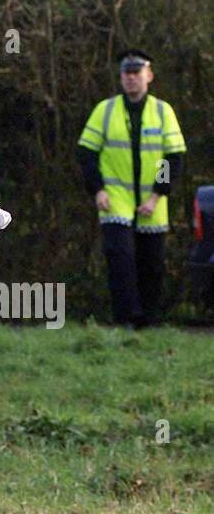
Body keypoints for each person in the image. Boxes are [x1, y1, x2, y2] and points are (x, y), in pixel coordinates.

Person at [77, 50, 187, 327]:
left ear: (149, 76)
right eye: (126, 73)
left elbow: (171, 158)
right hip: (115, 199)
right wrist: (98, 189)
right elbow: (87, 153)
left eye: (137, 73)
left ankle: (149, 320)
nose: (131, 78)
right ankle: (126, 318)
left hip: (154, 200)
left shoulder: (163, 112)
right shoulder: (105, 110)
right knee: (120, 259)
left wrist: (156, 195)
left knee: (152, 263)